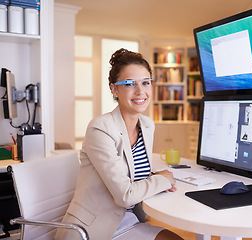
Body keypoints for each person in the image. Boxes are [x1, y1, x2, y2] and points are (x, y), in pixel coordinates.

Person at [55, 48, 183, 240]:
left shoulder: (147, 125)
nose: (141, 91)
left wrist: (155, 178)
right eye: (130, 84)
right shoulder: (100, 128)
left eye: (146, 83)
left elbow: (131, 171)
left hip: (129, 220)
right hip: (92, 230)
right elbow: (125, 195)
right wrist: (163, 179)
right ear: (114, 89)